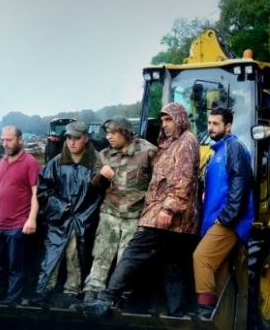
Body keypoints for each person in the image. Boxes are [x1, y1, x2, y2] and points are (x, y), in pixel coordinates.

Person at [85, 102, 200, 318]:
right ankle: (177, 314)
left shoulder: (183, 143)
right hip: (157, 215)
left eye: (169, 120)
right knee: (172, 266)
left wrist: (168, 209)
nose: (164, 124)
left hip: (162, 215)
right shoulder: (170, 143)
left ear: (181, 119)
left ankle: (107, 299)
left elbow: (182, 180)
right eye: (163, 120)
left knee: (133, 253)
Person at [79, 117, 157, 309]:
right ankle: (92, 293)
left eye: (113, 133)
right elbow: (93, 186)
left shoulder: (149, 151)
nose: (109, 137)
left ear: (125, 133)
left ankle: (122, 299)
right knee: (101, 254)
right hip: (110, 213)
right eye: (107, 133)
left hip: (136, 215)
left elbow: (159, 184)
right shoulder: (104, 155)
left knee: (127, 260)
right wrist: (100, 175)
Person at [29, 121, 103, 308]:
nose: (72, 142)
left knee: (75, 256)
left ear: (85, 138)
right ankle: (44, 290)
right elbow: (44, 190)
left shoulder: (97, 161)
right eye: (69, 138)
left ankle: (72, 291)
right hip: (60, 220)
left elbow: (103, 193)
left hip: (85, 220)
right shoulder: (56, 163)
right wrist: (61, 206)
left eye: (76, 138)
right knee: (51, 255)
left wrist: (87, 215)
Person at [193, 107, 254, 319]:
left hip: (229, 220)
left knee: (201, 258)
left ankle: (205, 311)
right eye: (209, 123)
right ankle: (221, 317)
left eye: (216, 123)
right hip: (215, 219)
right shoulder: (217, 151)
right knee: (219, 270)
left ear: (228, 126)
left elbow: (241, 185)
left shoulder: (234, 147)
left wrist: (227, 217)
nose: (210, 127)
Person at [0, 126, 41, 306]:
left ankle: (12, 301)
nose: (5, 144)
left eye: (9, 140)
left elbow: (37, 193)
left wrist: (32, 219)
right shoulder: (2, 161)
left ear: (20, 140)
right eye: (3, 140)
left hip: (18, 225)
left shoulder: (31, 163)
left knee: (15, 266)